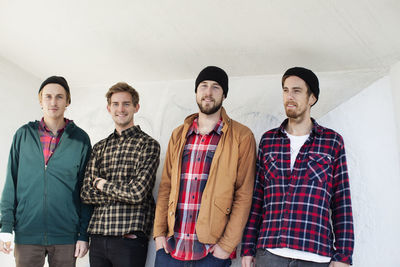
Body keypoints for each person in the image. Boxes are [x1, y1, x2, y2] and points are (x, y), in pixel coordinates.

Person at [241, 67, 354, 267]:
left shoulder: (332, 142)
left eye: (297, 91)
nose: (289, 97)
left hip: (315, 255)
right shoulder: (268, 141)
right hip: (270, 253)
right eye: (285, 90)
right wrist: (248, 248)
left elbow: (341, 201)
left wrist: (343, 256)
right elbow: (257, 198)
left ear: (312, 98)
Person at [153, 66, 256, 267]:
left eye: (216, 87)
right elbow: (165, 187)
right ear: (196, 92)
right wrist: (159, 234)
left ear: (224, 95)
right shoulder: (178, 134)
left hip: (211, 253)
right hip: (171, 249)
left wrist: (226, 247)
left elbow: (244, 195)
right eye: (203, 86)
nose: (208, 93)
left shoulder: (241, 137)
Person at [0, 76, 92, 267]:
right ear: (40, 100)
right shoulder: (23, 135)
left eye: (59, 97)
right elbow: (11, 183)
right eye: (48, 96)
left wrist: (83, 234)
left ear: (68, 102)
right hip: (27, 233)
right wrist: (5, 227)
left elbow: (86, 191)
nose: (53, 102)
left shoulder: (81, 139)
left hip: (66, 236)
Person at [80, 82, 160, 267]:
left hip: (129, 238)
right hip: (98, 237)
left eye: (126, 103)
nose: (120, 109)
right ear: (109, 108)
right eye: (115, 104)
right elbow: (86, 193)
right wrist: (123, 192)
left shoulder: (148, 145)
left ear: (136, 107)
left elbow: (138, 193)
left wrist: (101, 185)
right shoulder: (99, 147)